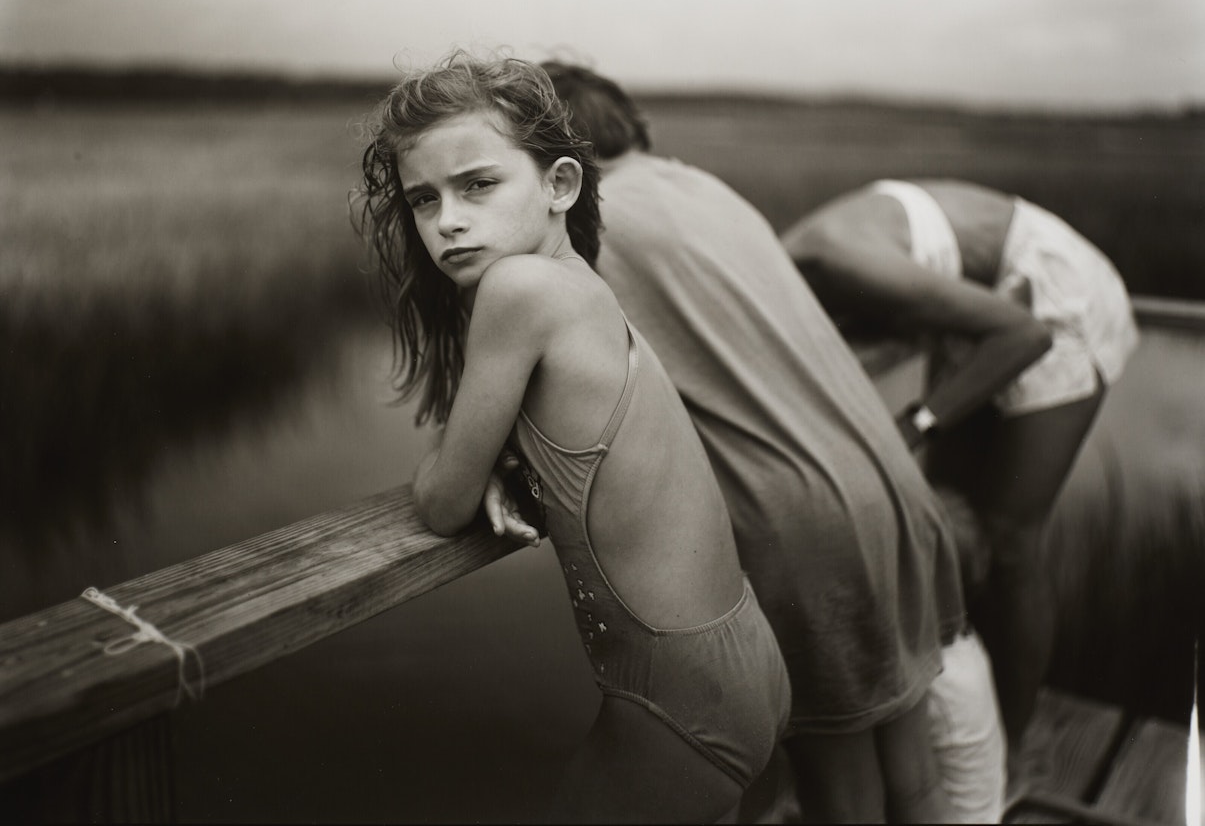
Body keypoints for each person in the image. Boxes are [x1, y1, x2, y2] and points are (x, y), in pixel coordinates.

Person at [491, 62, 998, 823]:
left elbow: (547, 373)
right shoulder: (705, 188)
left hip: (799, 521)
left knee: (842, 793)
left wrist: (504, 457)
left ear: (550, 159)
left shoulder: (583, 229)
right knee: (912, 770)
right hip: (891, 485)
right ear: (631, 127)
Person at [352, 51, 791, 824]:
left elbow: (443, 504)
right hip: (733, 657)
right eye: (423, 199)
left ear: (559, 185)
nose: (447, 220)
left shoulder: (518, 289)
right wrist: (501, 453)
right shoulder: (582, 287)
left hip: (678, 695)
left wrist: (461, 462)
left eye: (476, 185)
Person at [780, 178, 1139, 775]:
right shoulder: (786, 273)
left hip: (1050, 294)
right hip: (984, 310)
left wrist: (916, 424)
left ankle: (1015, 753)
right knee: (949, 526)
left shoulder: (833, 257)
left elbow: (1025, 334)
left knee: (1010, 540)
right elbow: (864, 353)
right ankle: (959, 726)